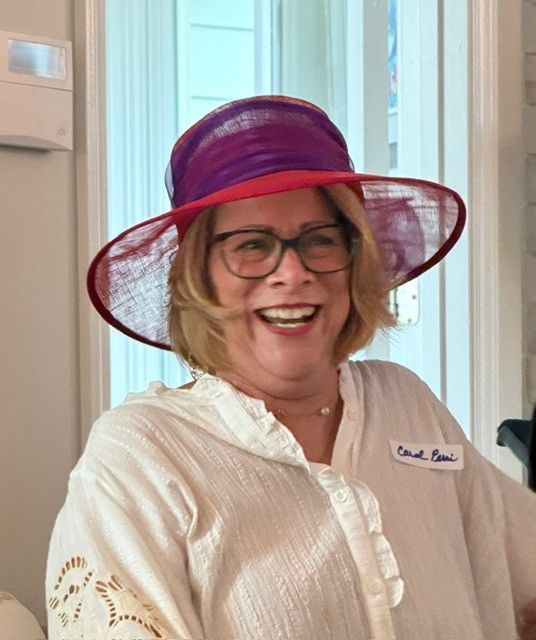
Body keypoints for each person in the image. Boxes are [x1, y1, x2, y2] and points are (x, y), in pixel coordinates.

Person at [46, 95, 536, 640]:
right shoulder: (143, 454)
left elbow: (518, 553)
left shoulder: (406, 401)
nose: (293, 272)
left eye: (320, 240)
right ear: (199, 278)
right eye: (251, 245)